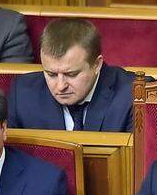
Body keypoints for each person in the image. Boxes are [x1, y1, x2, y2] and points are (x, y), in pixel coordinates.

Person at [8, 18, 136, 132]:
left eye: (71, 74)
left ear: (97, 65)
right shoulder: (23, 93)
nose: (60, 86)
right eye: (51, 74)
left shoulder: (134, 95)